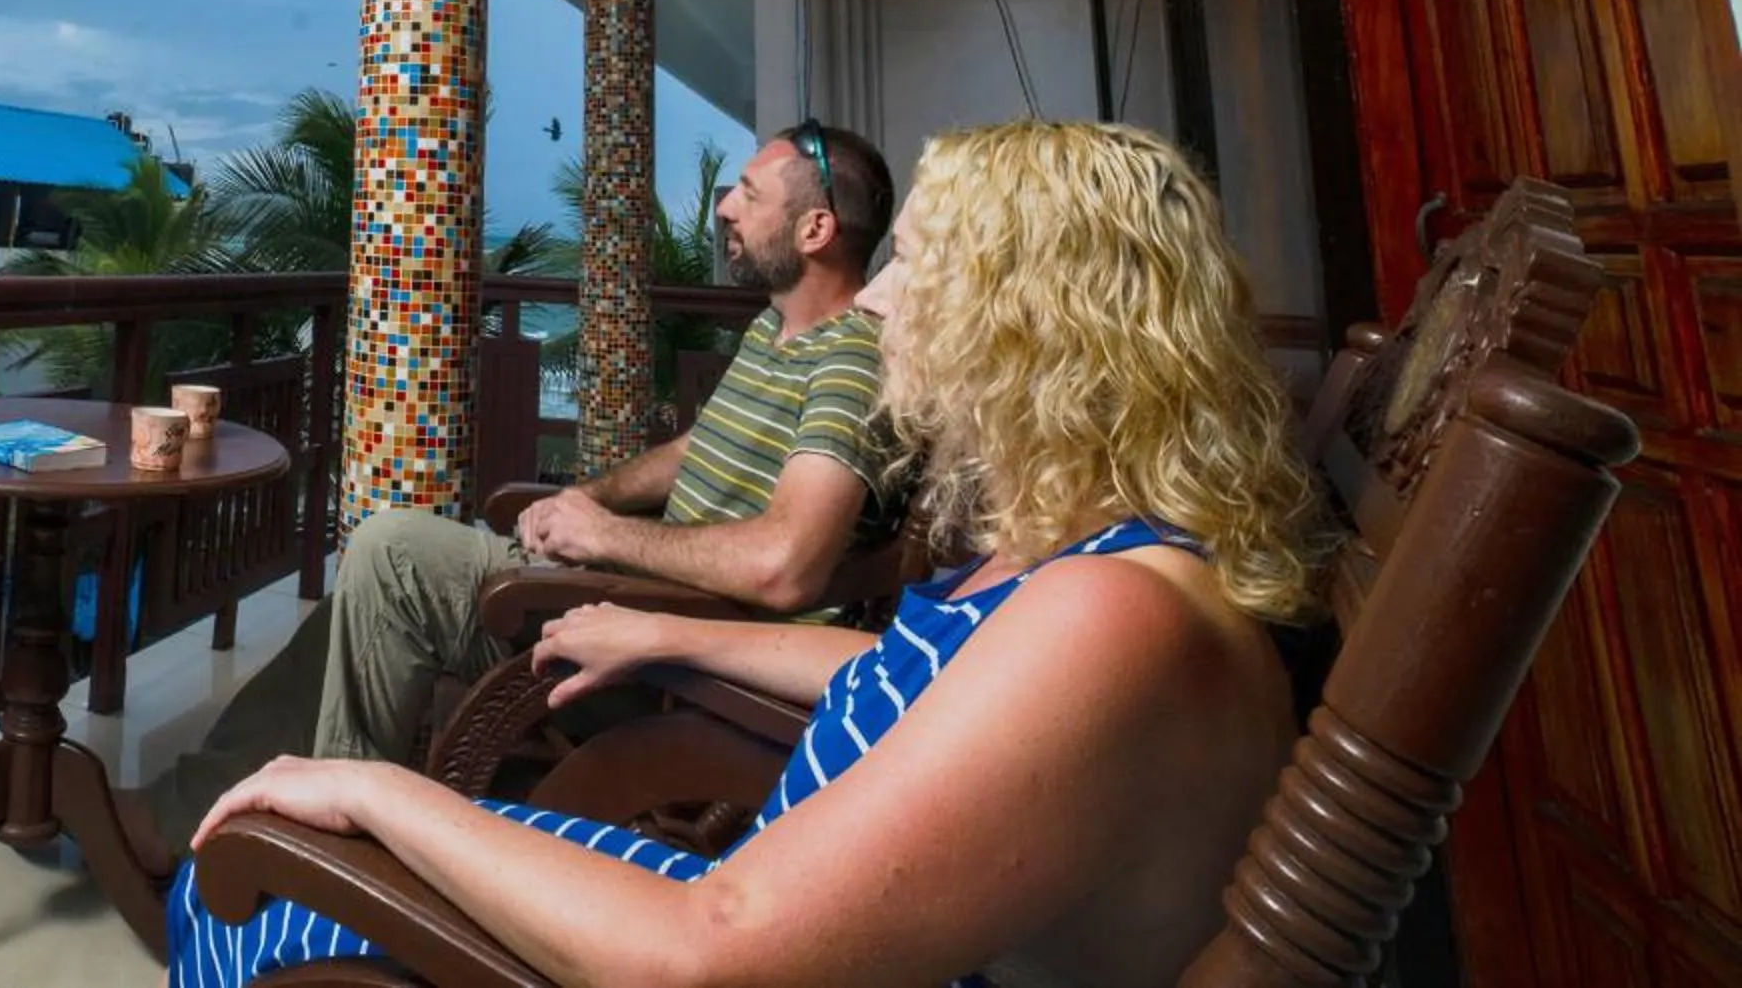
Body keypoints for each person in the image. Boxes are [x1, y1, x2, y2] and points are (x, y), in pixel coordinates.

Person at [170, 119, 1321, 988]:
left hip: (744, 919)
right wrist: (661, 626)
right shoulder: (1084, 561)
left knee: (248, 895)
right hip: (772, 883)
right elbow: (925, 682)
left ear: (1030, 321)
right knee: (289, 826)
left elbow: (713, 946)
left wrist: (377, 790)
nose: (879, 297)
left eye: (917, 264)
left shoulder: (1112, 612)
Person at [312, 119, 903, 764]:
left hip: (675, 666)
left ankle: (331, 800)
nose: (726, 207)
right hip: (640, 601)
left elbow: (784, 567)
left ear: (814, 230)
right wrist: (585, 499)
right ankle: (313, 785)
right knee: (372, 581)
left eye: (750, 193)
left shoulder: (851, 363)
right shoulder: (775, 329)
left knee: (389, 557)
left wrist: (606, 536)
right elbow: (692, 451)